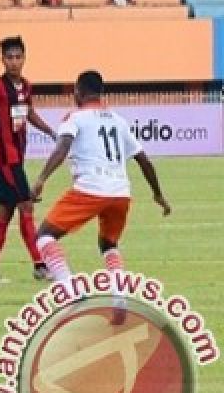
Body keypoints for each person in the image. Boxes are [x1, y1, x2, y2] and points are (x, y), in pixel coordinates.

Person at [31, 71, 171, 317]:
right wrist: (158, 195)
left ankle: (70, 291)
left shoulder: (75, 118)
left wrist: (41, 179)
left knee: (44, 236)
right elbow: (145, 161)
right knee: (108, 244)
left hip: (91, 188)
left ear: (78, 92)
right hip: (121, 193)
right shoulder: (118, 120)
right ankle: (119, 299)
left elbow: (62, 147)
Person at [0, 36, 57, 284]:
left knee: (5, 213)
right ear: (3, 60)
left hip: (16, 156)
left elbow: (30, 114)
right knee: (26, 204)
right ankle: (40, 265)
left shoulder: (27, 86)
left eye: (18, 57)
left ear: (24, 58)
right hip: (3, 158)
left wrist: (49, 131)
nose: (14, 62)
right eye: (10, 57)